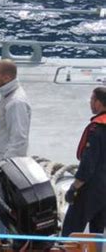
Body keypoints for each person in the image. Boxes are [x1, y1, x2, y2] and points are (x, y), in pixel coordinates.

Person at [61, 86, 106, 237]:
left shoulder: (97, 130)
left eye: (92, 99)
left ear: (98, 103)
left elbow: (88, 165)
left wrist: (74, 188)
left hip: (91, 188)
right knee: (98, 233)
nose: (90, 103)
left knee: (70, 231)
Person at [0, 59, 31, 161]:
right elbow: (0, 125)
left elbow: (19, 141)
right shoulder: (4, 94)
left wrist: (4, 166)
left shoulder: (16, 103)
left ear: (6, 78)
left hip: (3, 163)